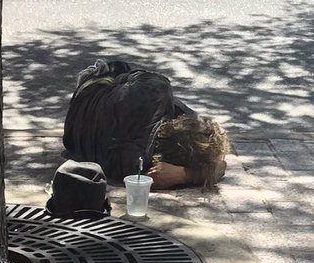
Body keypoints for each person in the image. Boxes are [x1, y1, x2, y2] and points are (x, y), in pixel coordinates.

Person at [63, 59, 230, 190]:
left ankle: (96, 80)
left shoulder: (156, 89)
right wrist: (185, 175)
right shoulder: (140, 168)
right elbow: (220, 167)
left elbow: (130, 77)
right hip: (73, 135)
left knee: (121, 69)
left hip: (88, 96)